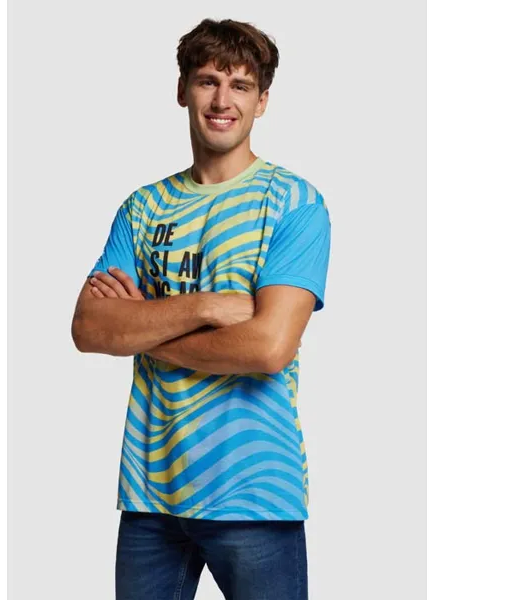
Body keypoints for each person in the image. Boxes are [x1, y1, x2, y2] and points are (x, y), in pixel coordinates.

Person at [71, 17, 331, 600]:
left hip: (254, 494)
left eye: (240, 86)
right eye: (208, 80)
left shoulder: (293, 203)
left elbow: (267, 348)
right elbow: (89, 327)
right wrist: (209, 306)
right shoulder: (143, 207)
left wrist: (142, 330)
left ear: (262, 101)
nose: (221, 100)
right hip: (150, 492)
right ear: (182, 90)